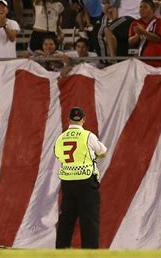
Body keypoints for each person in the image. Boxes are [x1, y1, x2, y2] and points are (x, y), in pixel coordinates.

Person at [54, 107, 107, 249]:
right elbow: (103, 152)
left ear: (69, 120)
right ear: (83, 120)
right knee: (89, 220)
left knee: (66, 218)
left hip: (68, 183)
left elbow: (58, 155)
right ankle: (89, 253)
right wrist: (93, 156)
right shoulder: (88, 136)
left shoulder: (61, 138)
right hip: (86, 182)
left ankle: (61, 251)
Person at [128, 0, 161, 67]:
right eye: (140, 7)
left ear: (153, 10)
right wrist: (138, 35)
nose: (142, 9)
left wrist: (143, 32)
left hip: (157, 61)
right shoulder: (135, 23)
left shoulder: (159, 21)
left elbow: (158, 39)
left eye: (145, 7)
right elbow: (130, 41)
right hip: (140, 62)